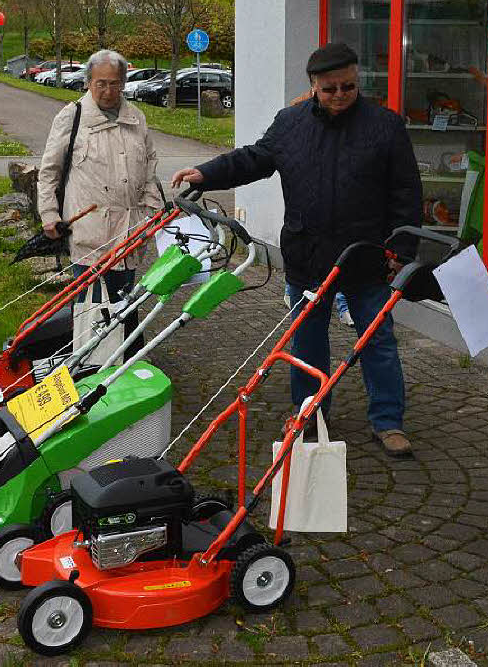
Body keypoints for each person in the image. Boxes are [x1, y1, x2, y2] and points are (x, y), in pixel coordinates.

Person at [171, 42, 423, 457]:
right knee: (307, 340)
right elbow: (254, 159)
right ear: (313, 87)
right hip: (308, 254)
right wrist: (207, 173)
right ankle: (310, 411)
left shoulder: (386, 126)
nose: (340, 95)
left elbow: (406, 192)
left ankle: (388, 420)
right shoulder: (290, 124)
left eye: (348, 86)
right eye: (329, 89)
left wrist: (400, 247)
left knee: (377, 341)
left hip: (367, 257)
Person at [37, 49, 163, 362]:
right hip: (89, 234)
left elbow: (149, 165)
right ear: (88, 83)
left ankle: (125, 363)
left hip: (129, 234)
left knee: (124, 302)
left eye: (115, 84)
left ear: (124, 83)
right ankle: (90, 366)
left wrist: (150, 210)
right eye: (100, 84)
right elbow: (49, 171)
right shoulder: (72, 117)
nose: (108, 91)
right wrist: (50, 215)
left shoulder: (136, 117)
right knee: (89, 310)